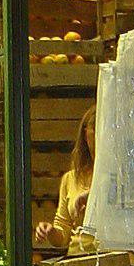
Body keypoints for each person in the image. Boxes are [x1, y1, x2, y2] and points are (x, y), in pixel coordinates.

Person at [34, 108, 96, 252]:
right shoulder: (70, 179)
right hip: (77, 259)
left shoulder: (117, 176)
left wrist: (93, 197)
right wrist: (50, 231)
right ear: (85, 134)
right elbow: (63, 233)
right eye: (95, 129)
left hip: (111, 259)